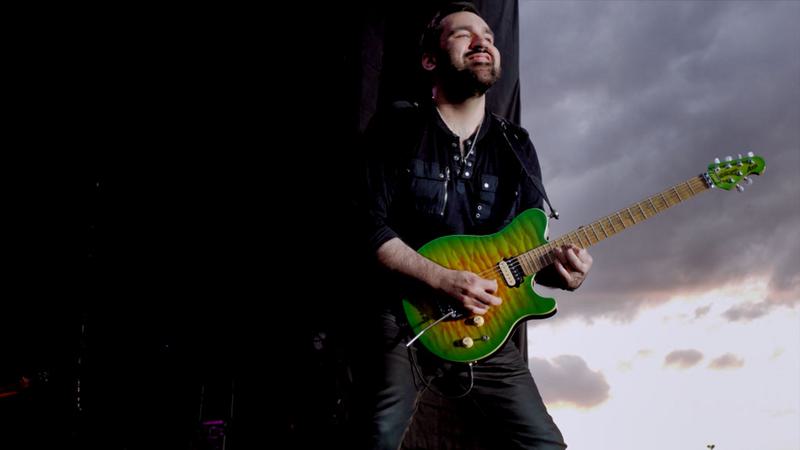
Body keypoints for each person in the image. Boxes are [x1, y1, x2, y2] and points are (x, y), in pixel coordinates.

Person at [353, 3, 593, 449]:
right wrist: (442, 278)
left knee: (546, 445)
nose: (483, 41)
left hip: (484, 326)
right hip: (403, 318)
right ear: (431, 60)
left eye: (489, 36)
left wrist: (563, 273)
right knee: (377, 435)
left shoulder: (515, 145)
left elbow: (525, 251)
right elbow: (367, 227)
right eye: (464, 34)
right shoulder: (396, 126)